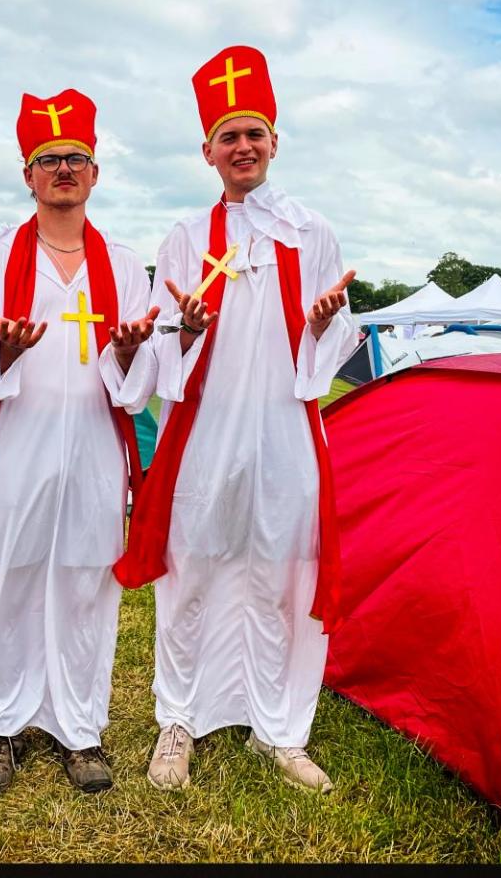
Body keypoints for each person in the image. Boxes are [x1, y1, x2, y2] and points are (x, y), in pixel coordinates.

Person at [113, 46, 357, 794]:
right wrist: (185, 329)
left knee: (286, 572)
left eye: (254, 133)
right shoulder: (186, 237)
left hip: (285, 430)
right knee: (192, 568)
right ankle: (178, 721)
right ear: (207, 151)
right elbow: (160, 347)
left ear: (274, 141)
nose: (242, 147)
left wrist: (322, 323)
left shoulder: (310, 231)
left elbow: (337, 339)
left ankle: (281, 731)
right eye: (228, 136)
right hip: (206, 431)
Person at [0, 88, 158, 795]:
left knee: (87, 577)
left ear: (96, 174)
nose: (63, 169)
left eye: (76, 158)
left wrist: (125, 352)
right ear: (27, 174)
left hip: (93, 443)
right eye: (49, 159)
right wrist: (4, 349)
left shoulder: (120, 262)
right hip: (19, 441)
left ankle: (79, 729)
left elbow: (139, 377)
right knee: (11, 574)